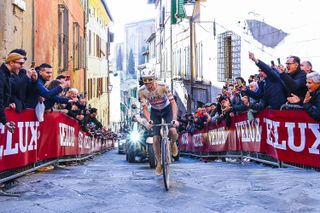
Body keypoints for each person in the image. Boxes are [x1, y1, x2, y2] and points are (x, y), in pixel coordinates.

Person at [138, 68, 179, 176]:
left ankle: (173, 144)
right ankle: (159, 163)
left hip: (167, 109)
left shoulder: (163, 86)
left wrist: (174, 119)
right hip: (155, 111)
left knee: (173, 131)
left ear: (154, 79)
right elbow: (145, 108)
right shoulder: (141, 91)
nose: (148, 84)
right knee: (155, 138)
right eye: (145, 81)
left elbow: (173, 103)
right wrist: (149, 120)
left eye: (150, 81)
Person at [0, 52, 25, 132]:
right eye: (20, 63)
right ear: (11, 62)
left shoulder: (6, 75)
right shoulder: (2, 75)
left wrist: (8, 103)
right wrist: (4, 121)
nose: (22, 66)